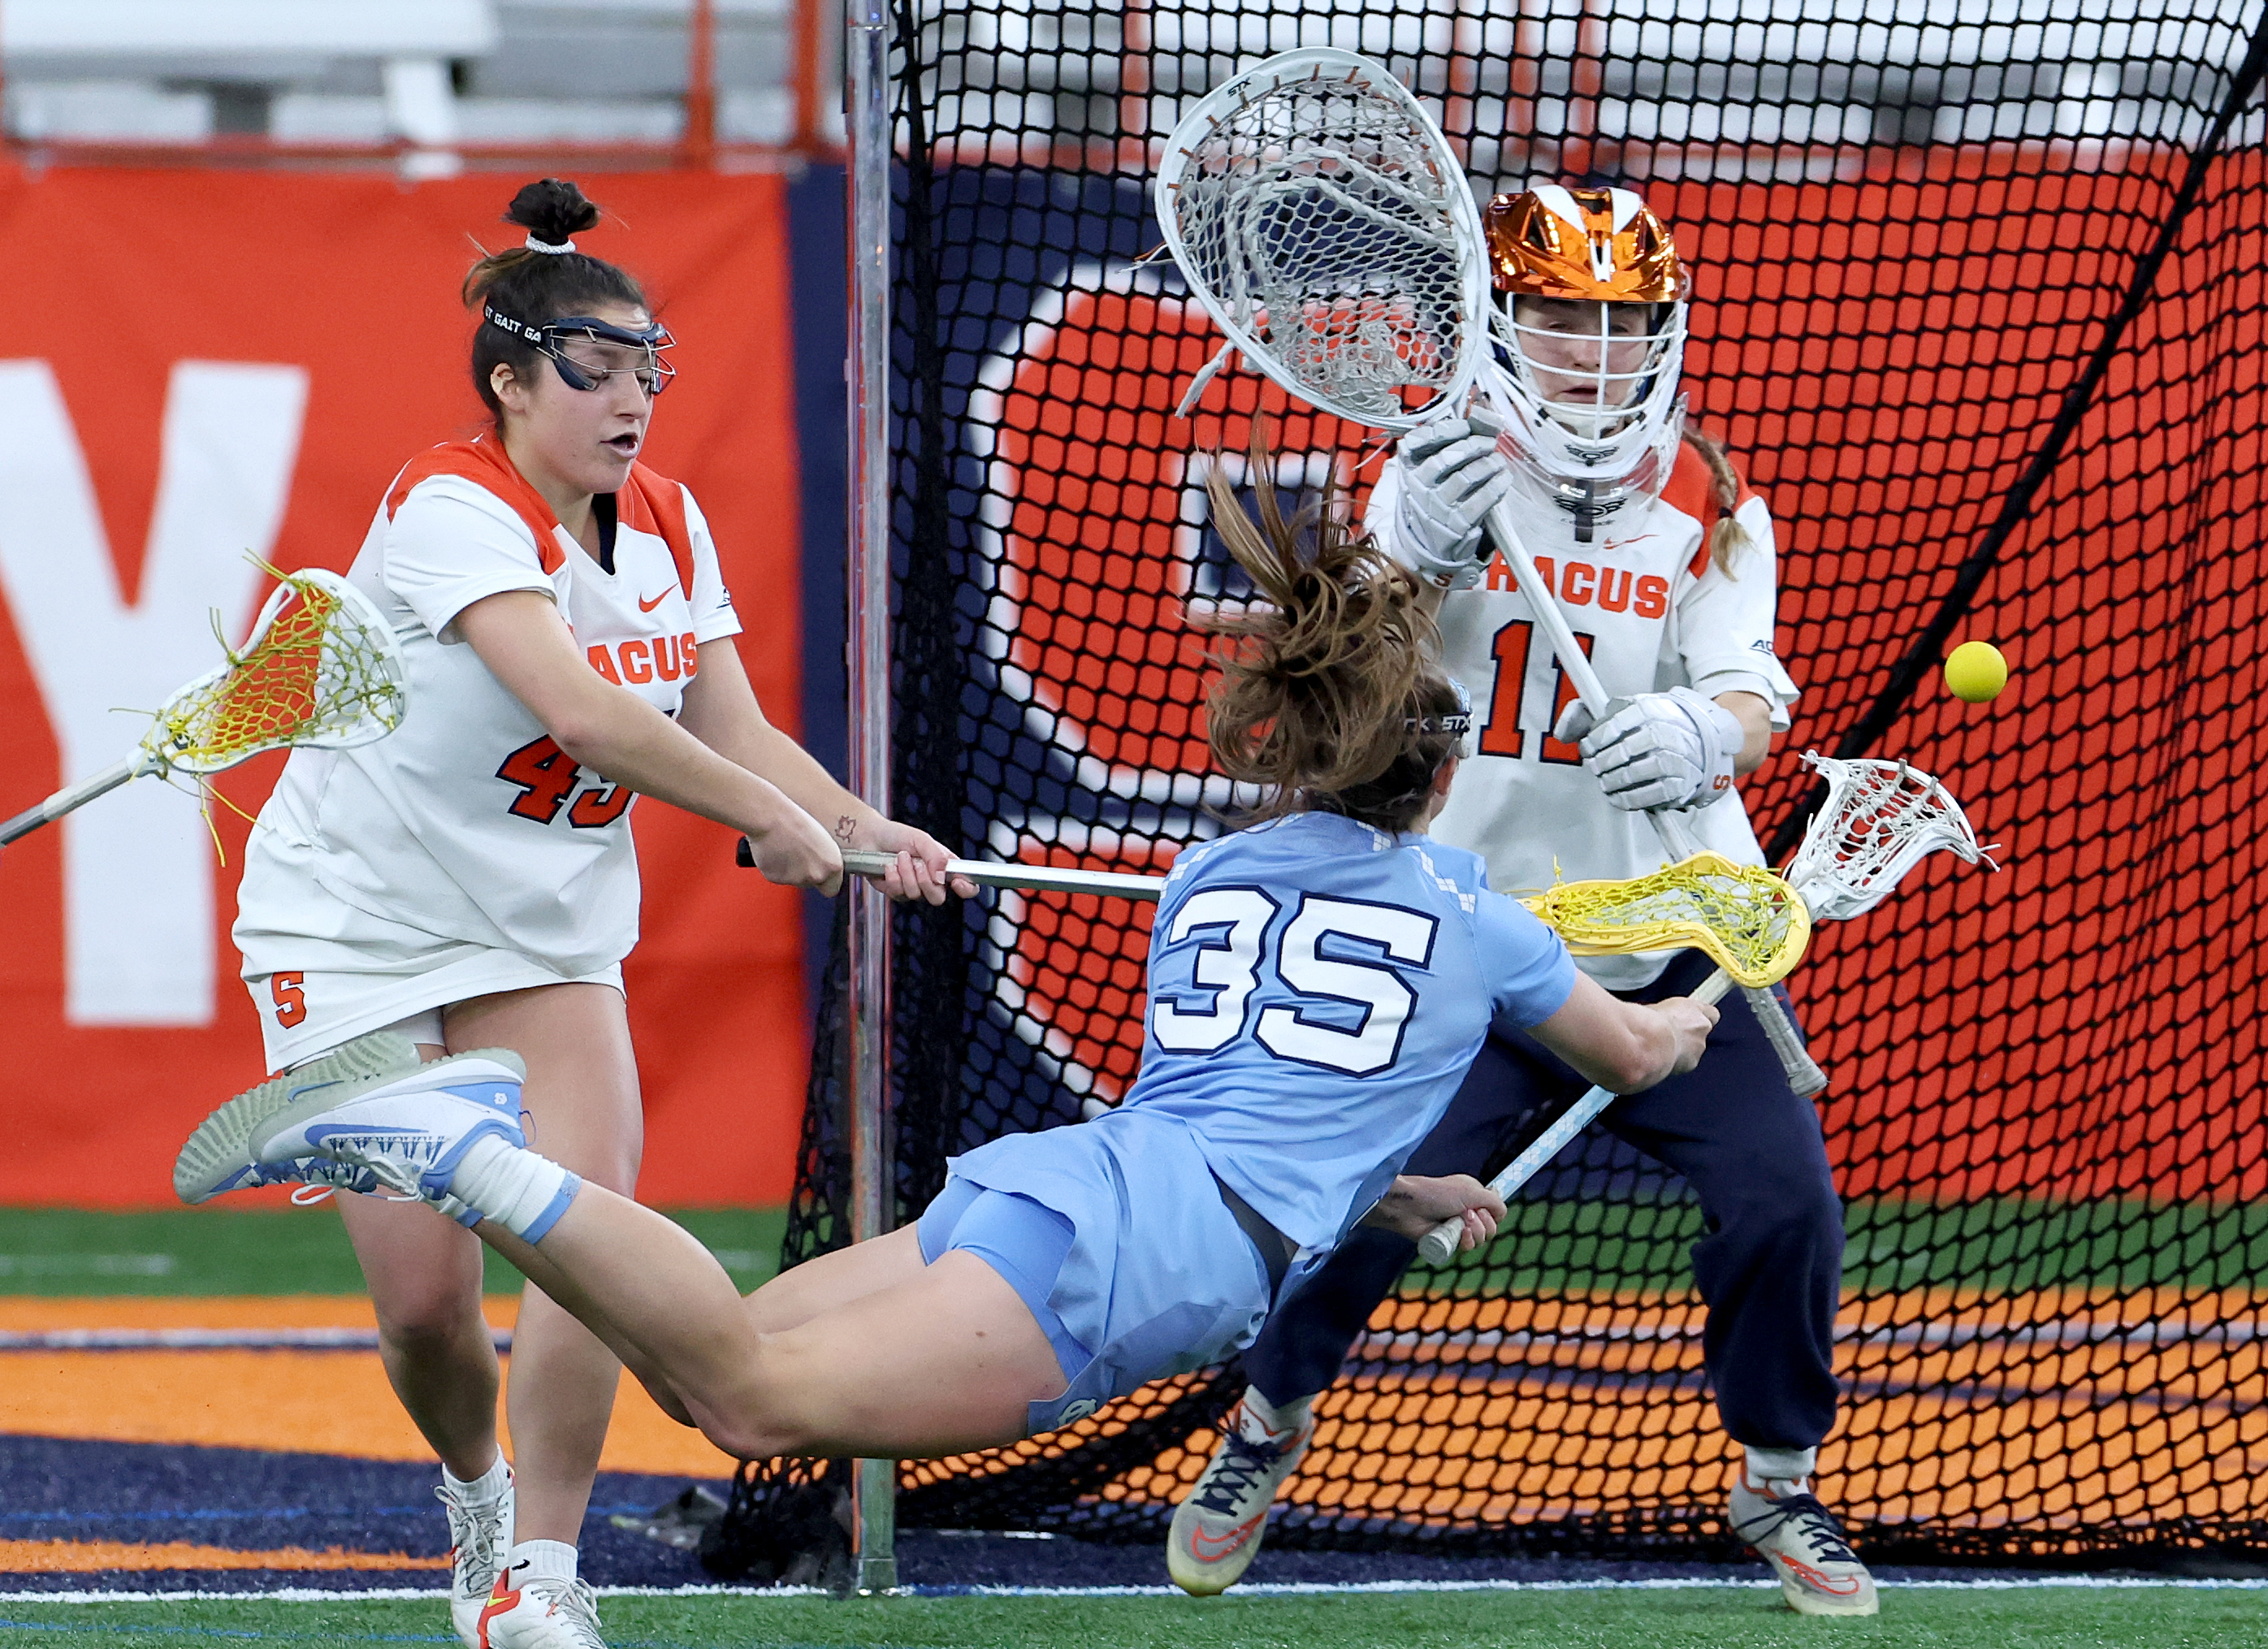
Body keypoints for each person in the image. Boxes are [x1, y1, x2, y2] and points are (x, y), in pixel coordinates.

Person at [175, 439, 1719, 1603]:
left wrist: (1389, 1189)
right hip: (1151, 1258)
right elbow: (1641, 1053)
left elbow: (1266, 1095)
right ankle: (468, 1154)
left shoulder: (1216, 868)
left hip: (1069, 1184)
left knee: (689, 1364)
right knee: (740, 1399)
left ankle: (471, 1172)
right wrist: (1734, 959)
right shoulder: (1486, 918)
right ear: (1443, 781)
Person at [175, 178, 965, 1649]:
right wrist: (774, 829)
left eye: (650, 368)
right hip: (354, 919)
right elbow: (589, 717)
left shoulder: (667, 521)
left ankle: (538, 1575)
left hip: (542, 933)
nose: (633, 400)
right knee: (423, 1304)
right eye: (593, 373)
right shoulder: (445, 502)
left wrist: (855, 823)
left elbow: (729, 722)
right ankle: (473, 1490)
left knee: (587, 1241)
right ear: (510, 380)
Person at [1161, 185, 1876, 1617]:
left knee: (1783, 1200)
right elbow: (1350, 678)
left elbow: (1749, 695)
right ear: (1510, 323)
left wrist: (1700, 734)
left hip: (1673, 922)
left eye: (1622, 322)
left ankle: (1777, 1476)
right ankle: (1267, 1423)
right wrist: (1413, 550)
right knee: (1354, 1199)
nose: (1593, 353)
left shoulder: (1714, 499)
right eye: (1562, 319)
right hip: (1469, 933)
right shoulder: (1434, 466)